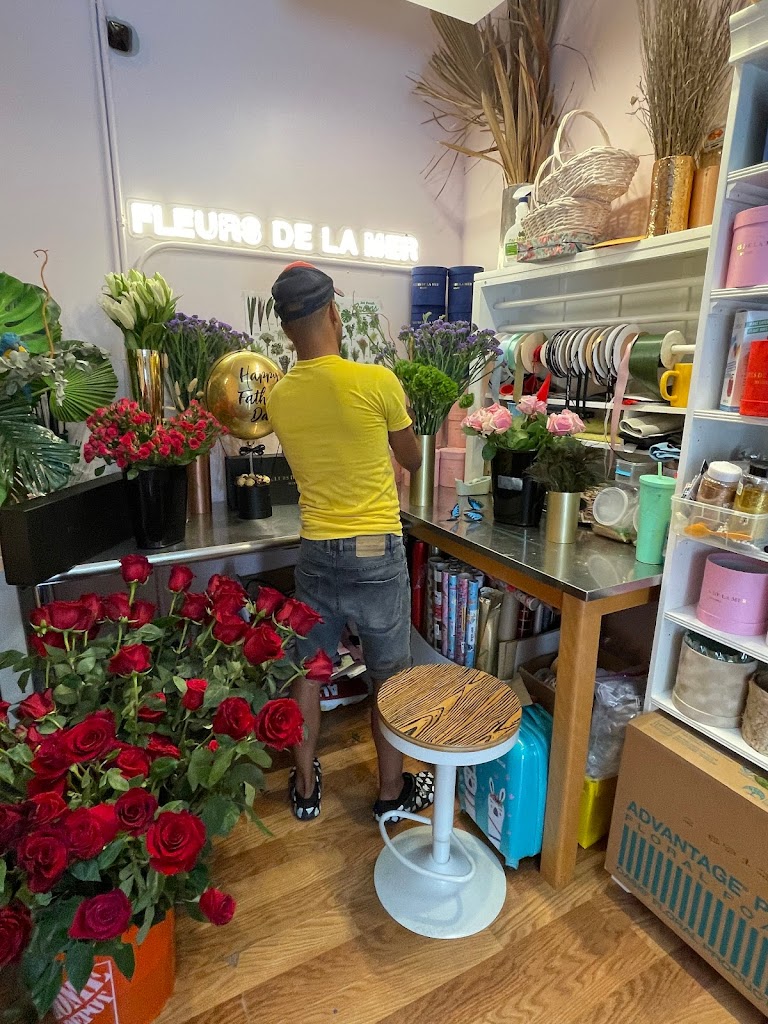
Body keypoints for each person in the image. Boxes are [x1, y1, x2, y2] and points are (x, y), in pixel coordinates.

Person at [266, 262, 435, 823]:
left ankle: (305, 786)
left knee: (309, 670)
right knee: (389, 677)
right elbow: (412, 458)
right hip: (374, 550)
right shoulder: (378, 382)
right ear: (335, 315)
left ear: (286, 330)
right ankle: (391, 793)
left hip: (317, 552)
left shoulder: (279, 396)